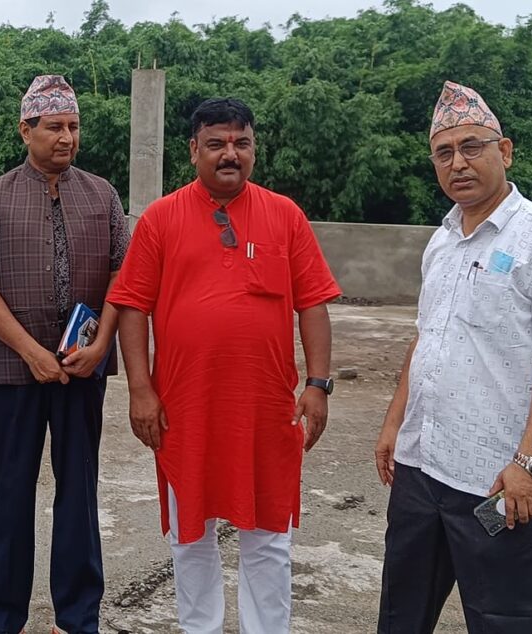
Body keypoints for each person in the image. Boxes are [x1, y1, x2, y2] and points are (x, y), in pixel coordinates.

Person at [107, 97, 342, 634]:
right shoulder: (161, 218)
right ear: (194, 151)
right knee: (190, 536)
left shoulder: (285, 215)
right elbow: (132, 307)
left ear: (254, 149)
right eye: (216, 143)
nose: (230, 154)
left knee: (268, 538)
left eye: (241, 143)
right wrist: (140, 390)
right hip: (184, 410)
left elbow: (313, 303)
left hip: (266, 411)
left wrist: (318, 384)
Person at [372, 81, 532, 634]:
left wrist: (530, 466)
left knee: (507, 619)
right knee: (401, 614)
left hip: (496, 478)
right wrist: (395, 423)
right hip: (421, 467)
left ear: (504, 151)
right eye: (444, 153)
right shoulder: (442, 240)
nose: (458, 163)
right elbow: (426, 337)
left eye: (472, 147)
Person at [0, 74, 130, 634]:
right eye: (54, 126)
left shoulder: (102, 195)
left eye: (73, 126)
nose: (66, 138)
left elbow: (122, 277)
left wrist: (100, 345)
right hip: (13, 371)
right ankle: (3, 617)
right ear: (25, 130)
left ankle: (78, 617)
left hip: (83, 369)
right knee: (11, 493)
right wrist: (31, 352)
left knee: (79, 491)